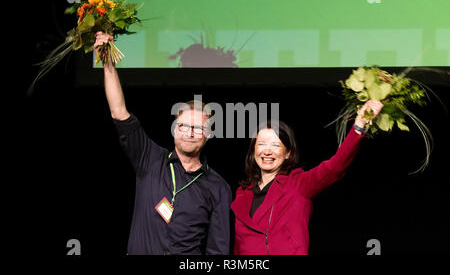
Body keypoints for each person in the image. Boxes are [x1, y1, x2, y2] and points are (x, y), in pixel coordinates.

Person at [94, 31, 232, 255]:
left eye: (197, 128)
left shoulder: (218, 188)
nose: (189, 133)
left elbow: (218, 250)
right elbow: (119, 113)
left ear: (208, 135)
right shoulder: (149, 158)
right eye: (183, 126)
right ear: (174, 129)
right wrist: (108, 63)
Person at [231, 100, 384, 255]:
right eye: (262, 144)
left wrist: (359, 126)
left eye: (276, 145)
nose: (267, 151)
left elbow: (335, 167)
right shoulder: (242, 193)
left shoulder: (299, 184)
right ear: (253, 150)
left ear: (288, 153)